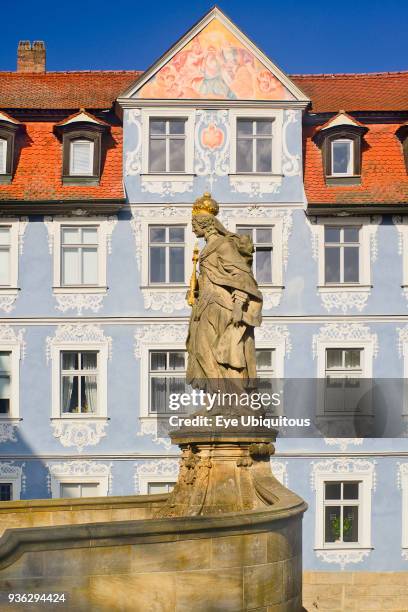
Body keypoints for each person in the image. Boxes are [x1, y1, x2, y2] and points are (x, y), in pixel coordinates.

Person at [186, 193, 263, 391]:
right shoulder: (207, 248)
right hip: (205, 306)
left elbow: (243, 276)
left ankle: (233, 398)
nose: (192, 227)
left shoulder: (223, 245)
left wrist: (238, 305)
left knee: (225, 355)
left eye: (194, 222)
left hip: (221, 306)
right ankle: (220, 398)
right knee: (201, 352)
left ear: (204, 223)